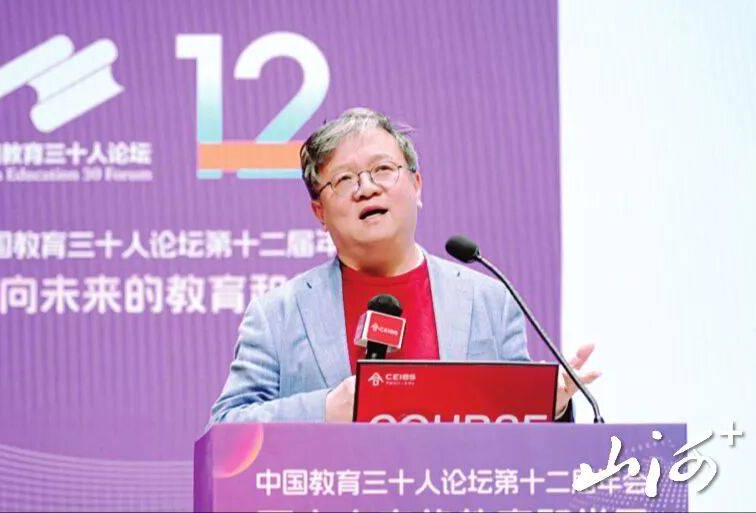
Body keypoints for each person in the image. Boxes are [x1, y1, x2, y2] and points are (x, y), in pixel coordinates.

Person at [208, 108, 599, 425]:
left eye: (382, 169)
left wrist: (550, 406)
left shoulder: (488, 300)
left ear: (417, 185)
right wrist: (325, 409)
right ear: (319, 212)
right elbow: (225, 427)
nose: (366, 188)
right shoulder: (277, 314)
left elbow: (523, 440)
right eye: (344, 179)